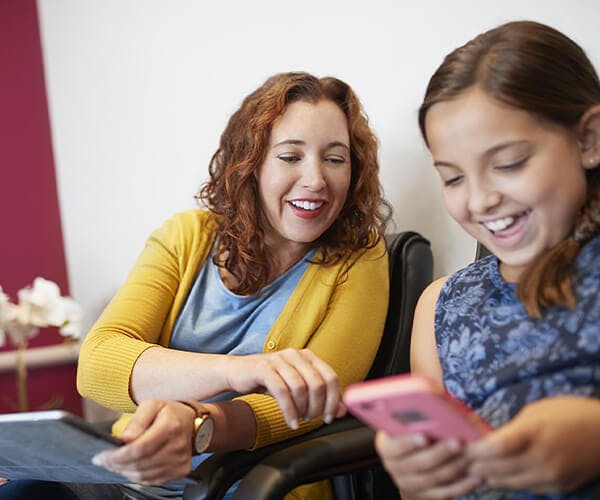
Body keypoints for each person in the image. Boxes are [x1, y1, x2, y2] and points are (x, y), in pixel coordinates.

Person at [0, 72, 391, 500]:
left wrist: (198, 424)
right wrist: (238, 369)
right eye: (290, 156)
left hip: (243, 487)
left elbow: (310, 401)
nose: (316, 180)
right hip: (130, 474)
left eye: (335, 159)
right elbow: (98, 364)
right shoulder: (187, 235)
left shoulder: (361, 256)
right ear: (251, 163)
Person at [375, 21, 600, 499]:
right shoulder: (441, 306)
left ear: (589, 140)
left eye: (509, 164)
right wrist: (420, 479)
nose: (478, 202)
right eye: (453, 179)